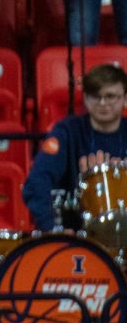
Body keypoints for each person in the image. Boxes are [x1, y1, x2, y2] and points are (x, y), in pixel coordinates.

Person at [22, 64, 127, 232]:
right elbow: (36, 181)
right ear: (85, 98)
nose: (102, 103)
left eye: (110, 96)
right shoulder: (67, 131)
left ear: (124, 98)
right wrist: (53, 229)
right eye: (95, 96)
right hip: (79, 238)